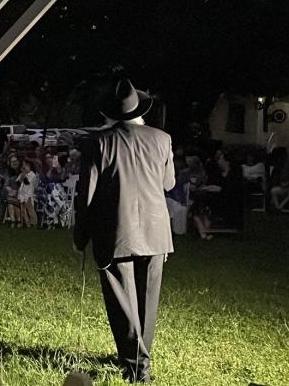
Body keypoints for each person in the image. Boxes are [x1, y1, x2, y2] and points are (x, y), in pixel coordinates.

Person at [73, 79, 174, 383]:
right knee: (146, 299)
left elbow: (85, 194)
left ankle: (137, 364)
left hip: (116, 230)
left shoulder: (99, 142)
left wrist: (81, 235)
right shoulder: (162, 139)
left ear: (109, 113)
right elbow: (168, 184)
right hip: (156, 230)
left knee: (122, 300)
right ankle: (138, 354)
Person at [16, 158, 39, 228]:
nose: (24, 167)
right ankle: (26, 223)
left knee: (30, 210)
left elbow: (27, 182)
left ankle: (34, 223)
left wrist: (24, 175)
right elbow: (17, 183)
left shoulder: (33, 175)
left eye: (25, 165)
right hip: (21, 194)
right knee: (23, 210)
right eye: (23, 165)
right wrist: (22, 175)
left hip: (28, 194)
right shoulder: (21, 174)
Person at [3, 154, 23, 225]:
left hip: (22, 191)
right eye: (12, 162)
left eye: (15, 161)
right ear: (10, 163)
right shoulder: (8, 172)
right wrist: (11, 191)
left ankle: (18, 220)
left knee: (13, 198)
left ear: (19, 161)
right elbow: (6, 185)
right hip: (11, 192)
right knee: (10, 198)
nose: (14, 163)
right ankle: (13, 220)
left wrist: (17, 191)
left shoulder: (23, 170)